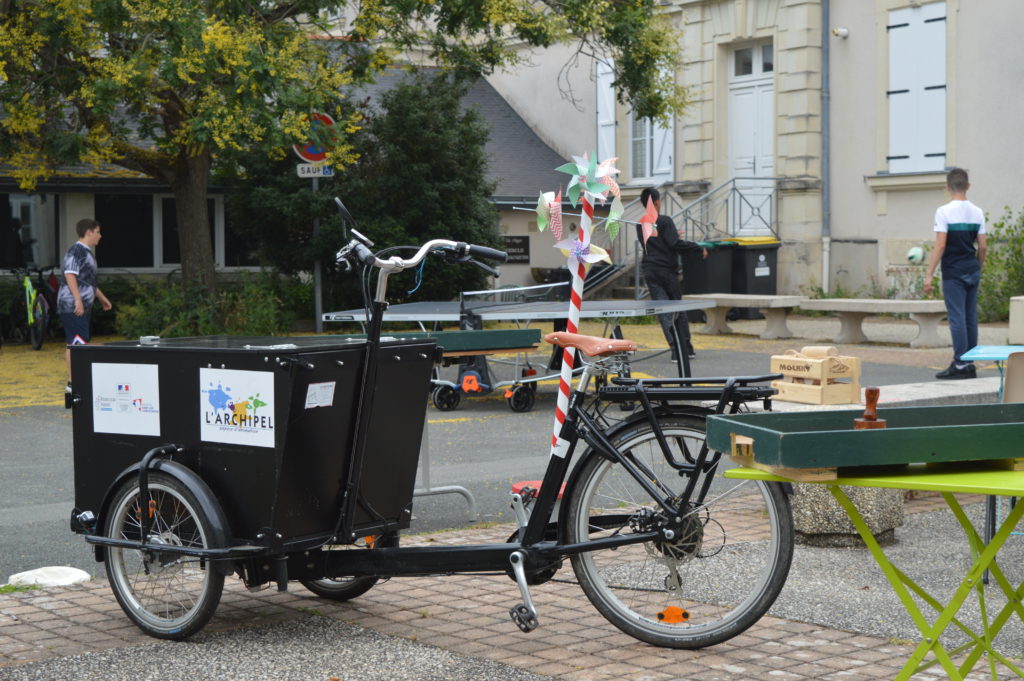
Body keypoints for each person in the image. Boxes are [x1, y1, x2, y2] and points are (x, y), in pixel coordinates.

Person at [924, 167, 987, 379]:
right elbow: (983, 246)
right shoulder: (977, 212)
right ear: (968, 186)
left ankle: (959, 364)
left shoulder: (943, 212)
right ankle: (969, 363)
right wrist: (979, 266)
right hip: (971, 268)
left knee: (957, 317)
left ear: (948, 187)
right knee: (970, 317)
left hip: (953, 271)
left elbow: (940, 245)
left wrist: (929, 274)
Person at [635, 187, 707, 360]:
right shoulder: (665, 220)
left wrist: (673, 234)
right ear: (658, 201)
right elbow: (674, 244)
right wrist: (697, 248)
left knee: (663, 311)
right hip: (667, 270)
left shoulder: (640, 224)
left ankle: (676, 350)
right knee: (677, 308)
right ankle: (686, 348)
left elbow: (656, 241)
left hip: (650, 270)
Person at [58, 219, 112, 386]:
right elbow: (70, 274)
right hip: (71, 304)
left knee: (77, 341)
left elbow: (87, 282)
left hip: (79, 304)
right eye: (98, 231)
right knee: (77, 342)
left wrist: (102, 298)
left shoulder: (87, 253)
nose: (100, 236)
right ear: (89, 232)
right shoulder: (76, 251)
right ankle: (73, 382)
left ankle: (74, 381)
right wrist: (78, 300)